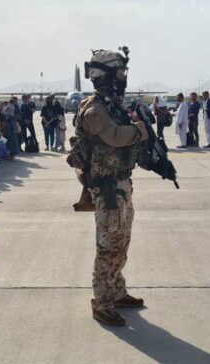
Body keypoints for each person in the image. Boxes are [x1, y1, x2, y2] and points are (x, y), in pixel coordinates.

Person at [75, 47, 147, 326]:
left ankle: (116, 291)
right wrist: (141, 130)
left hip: (120, 183)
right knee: (107, 246)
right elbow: (115, 137)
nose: (123, 77)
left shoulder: (111, 104)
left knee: (122, 242)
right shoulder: (95, 109)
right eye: (120, 72)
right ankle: (102, 302)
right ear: (104, 75)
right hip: (105, 189)